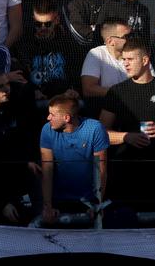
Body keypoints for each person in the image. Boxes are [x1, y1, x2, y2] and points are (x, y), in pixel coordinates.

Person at [97, 37, 155, 212]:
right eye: (123, 59)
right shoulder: (117, 92)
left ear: (145, 60)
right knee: (126, 229)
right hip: (125, 174)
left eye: (130, 59)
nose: (125, 64)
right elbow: (100, 132)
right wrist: (126, 137)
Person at [39, 93, 110, 224]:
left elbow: (101, 170)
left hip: (88, 200)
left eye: (52, 115)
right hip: (59, 200)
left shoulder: (95, 129)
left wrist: (97, 203)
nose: (48, 117)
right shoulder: (47, 130)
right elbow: (47, 170)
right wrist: (47, 206)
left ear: (66, 118)